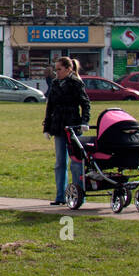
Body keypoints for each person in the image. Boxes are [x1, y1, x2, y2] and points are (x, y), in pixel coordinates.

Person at [42, 56, 92, 205]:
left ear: (68, 69)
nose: (56, 72)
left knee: (76, 163)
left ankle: (77, 195)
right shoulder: (55, 83)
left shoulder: (76, 83)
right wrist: (47, 128)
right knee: (59, 163)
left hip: (73, 127)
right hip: (58, 126)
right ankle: (60, 196)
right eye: (55, 69)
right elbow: (50, 106)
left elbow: (85, 103)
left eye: (59, 69)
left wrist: (84, 121)